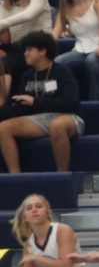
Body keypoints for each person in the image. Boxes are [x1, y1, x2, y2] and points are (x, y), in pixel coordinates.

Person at [0, 32, 82, 173]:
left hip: (68, 116)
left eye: (29, 50)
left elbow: (70, 102)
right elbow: (21, 109)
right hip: (39, 119)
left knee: (57, 125)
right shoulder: (28, 76)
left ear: (43, 51)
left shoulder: (62, 72)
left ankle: (62, 174)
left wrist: (35, 102)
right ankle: (15, 176)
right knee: (3, 128)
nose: (25, 54)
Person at [0, 0, 52, 83]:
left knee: (3, 66)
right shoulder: (7, 1)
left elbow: (29, 15)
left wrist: (2, 24)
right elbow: (5, 37)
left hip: (37, 47)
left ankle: (2, 101)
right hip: (14, 48)